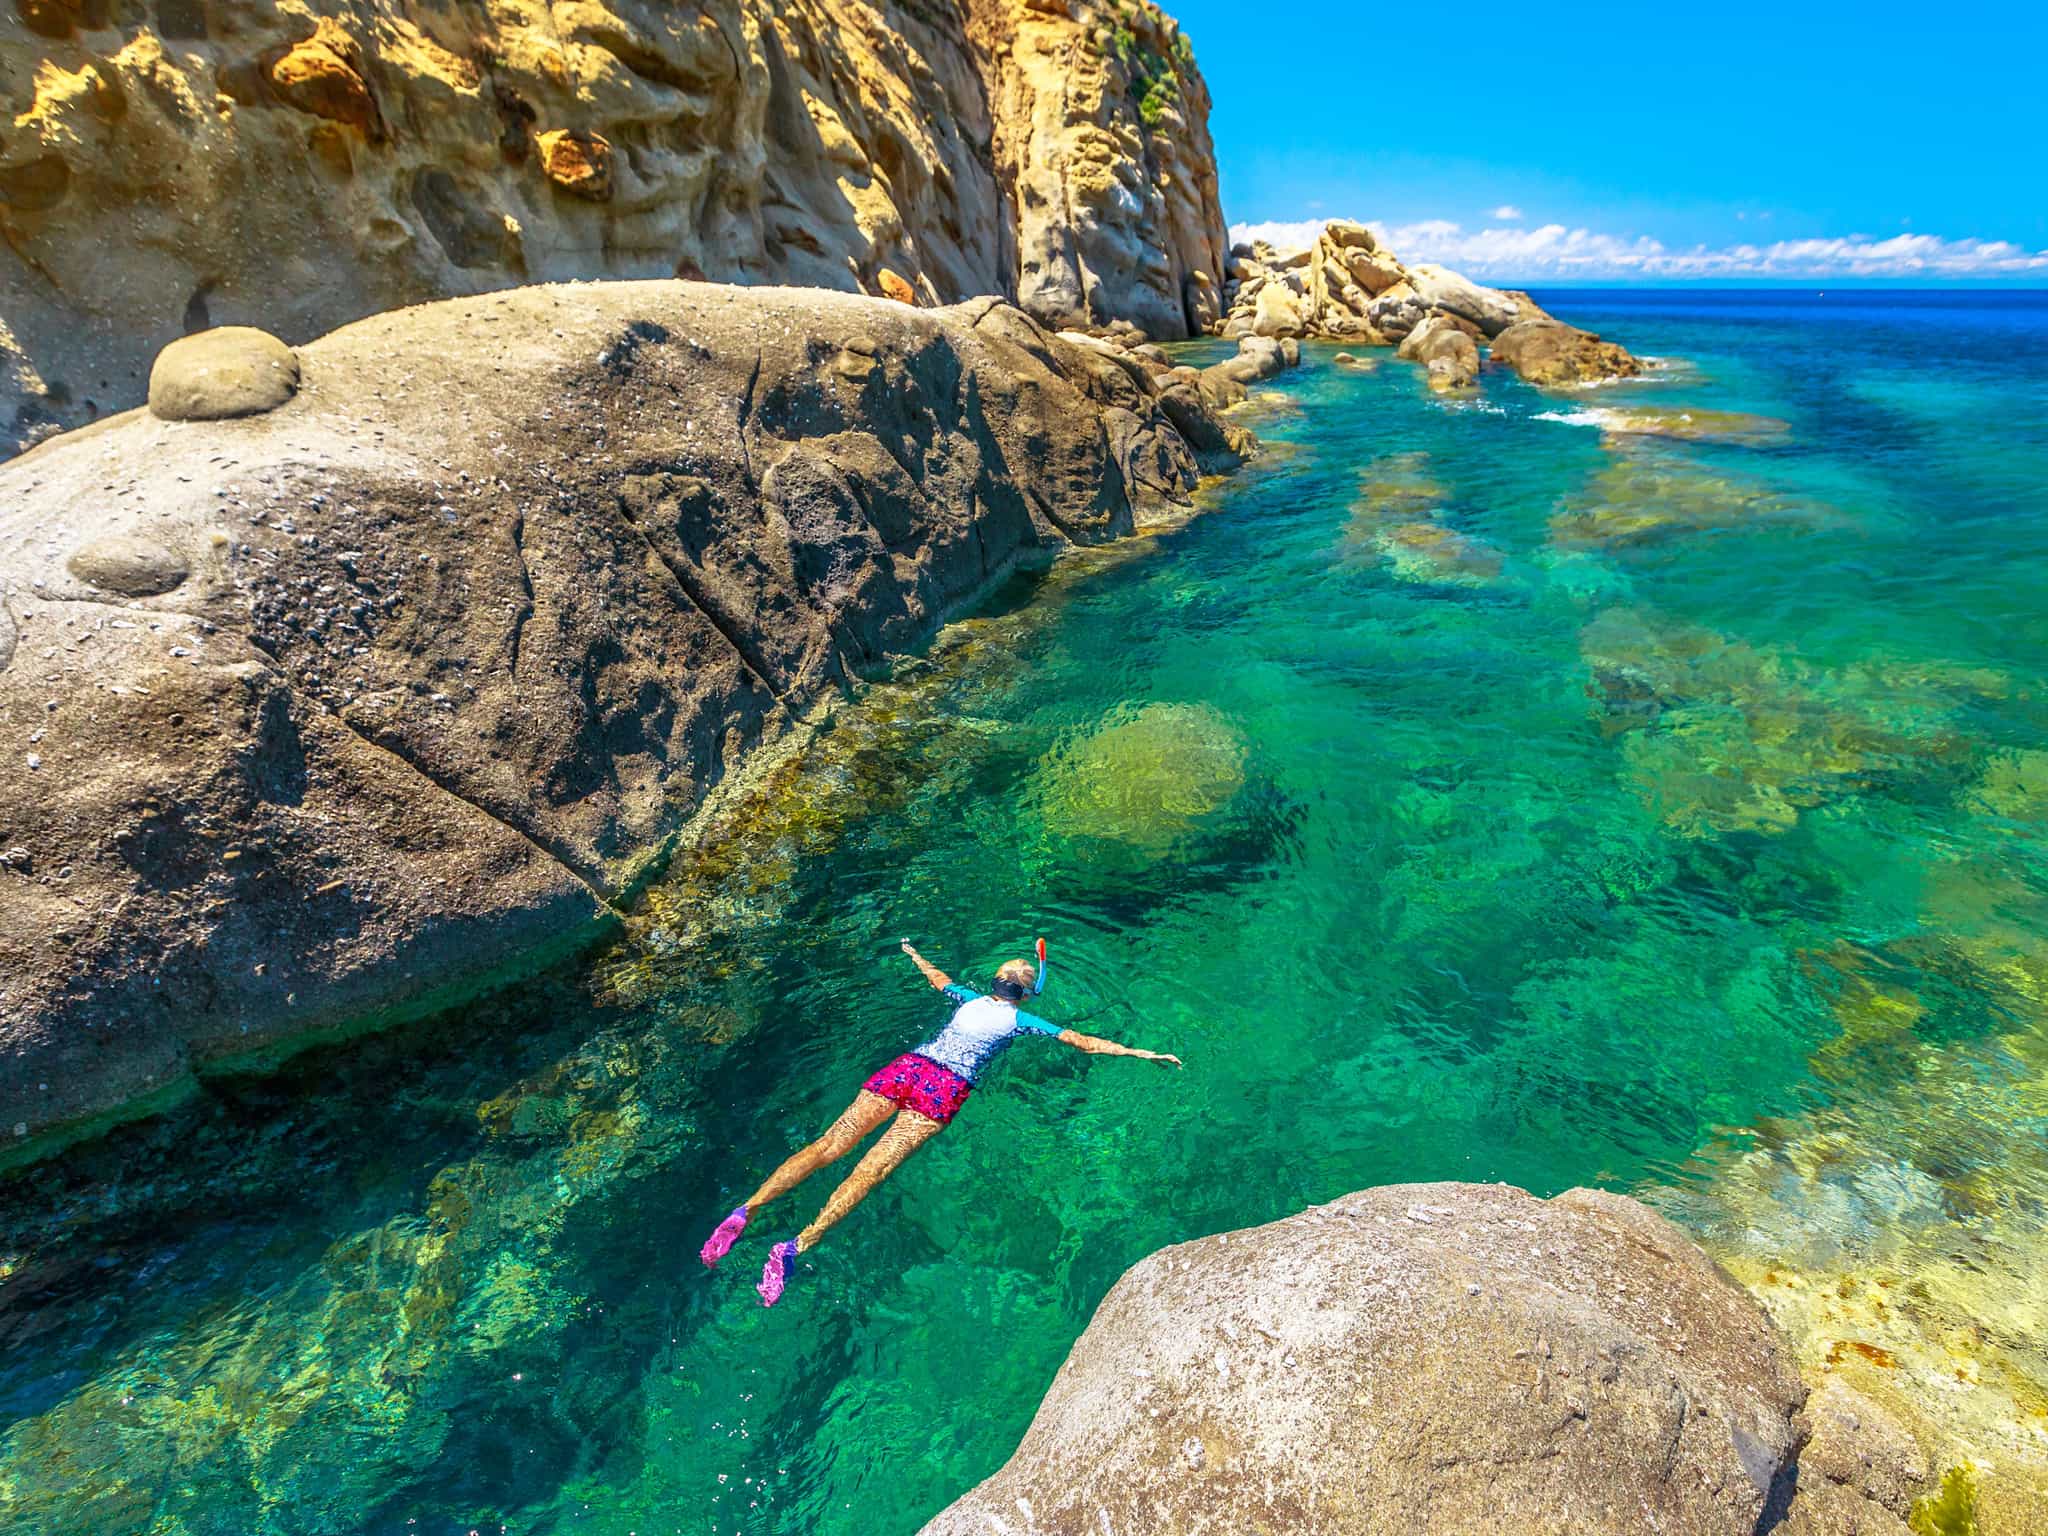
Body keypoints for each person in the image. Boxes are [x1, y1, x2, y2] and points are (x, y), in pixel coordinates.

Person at [700, 939, 1182, 1305]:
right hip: (942, 1091)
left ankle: (748, 1209)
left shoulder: (966, 999)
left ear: (994, 985)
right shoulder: (1023, 1022)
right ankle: (796, 1245)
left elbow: (937, 977)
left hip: (909, 1067)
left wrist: (911, 951)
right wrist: (1141, 1052)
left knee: (828, 1146)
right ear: (1027, 994)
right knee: (869, 1172)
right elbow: (1083, 1041)